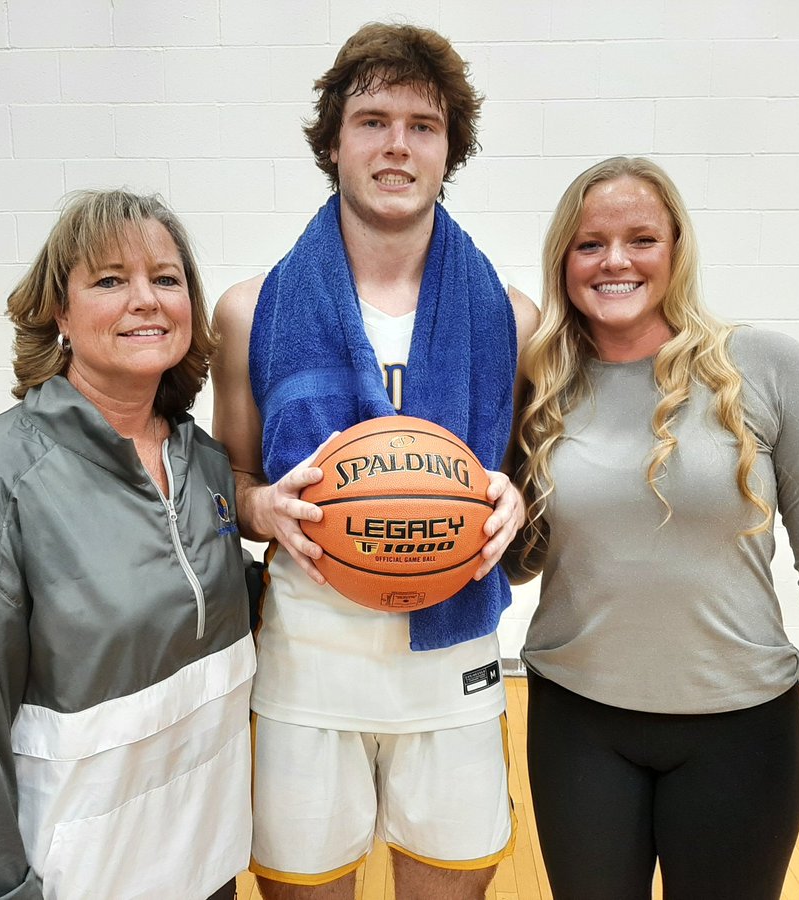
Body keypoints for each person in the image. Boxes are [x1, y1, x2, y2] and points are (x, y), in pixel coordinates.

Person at [210, 22, 539, 900]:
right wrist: (261, 508)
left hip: (453, 660)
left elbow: (526, 487)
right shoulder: (251, 311)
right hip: (309, 660)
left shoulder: (511, 316)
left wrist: (513, 496)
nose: (397, 144)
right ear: (333, 142)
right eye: (372, 120)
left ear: (448, 151)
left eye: (422, 125)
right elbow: (230, 490)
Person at [508, 156, 799, 899]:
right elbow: (524, 560)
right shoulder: (541, 383)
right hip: (578, 725)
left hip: (740, 733)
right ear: (564, 260)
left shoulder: (767, 368)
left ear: (677, 249)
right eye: (590, 244)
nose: (615, 260)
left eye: (641, 238)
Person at [0, 190, 254, 900]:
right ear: (61, 312)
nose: (145, 299)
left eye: (166, 279)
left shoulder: (201, 463)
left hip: (204, 867)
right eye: (110, 280)